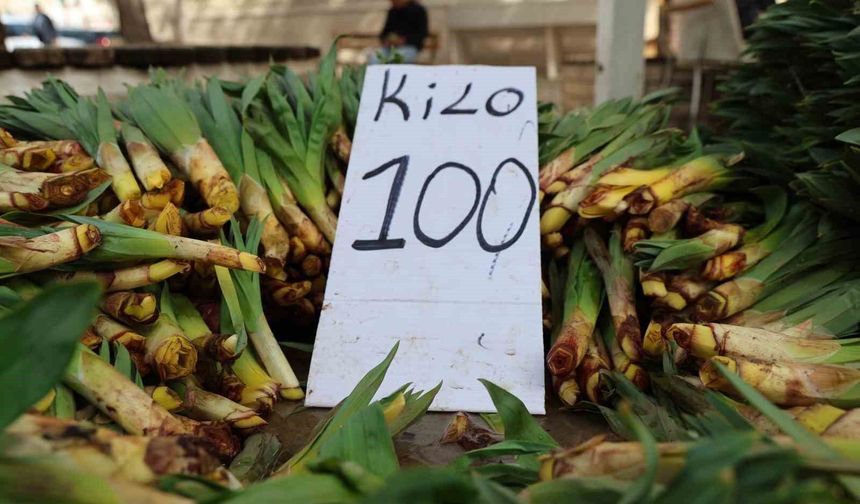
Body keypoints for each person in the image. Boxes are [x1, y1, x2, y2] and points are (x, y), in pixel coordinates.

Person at [369, 0, 428, 64]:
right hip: (389, 47)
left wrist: (404, 40)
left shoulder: (419, 10)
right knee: (374, 58)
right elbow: (384, 33)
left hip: (409, 47)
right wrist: (386, 40)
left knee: (397, 58)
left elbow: (422, 34)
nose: (392, 2)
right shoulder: (392, 11)